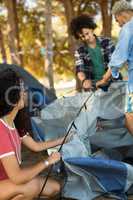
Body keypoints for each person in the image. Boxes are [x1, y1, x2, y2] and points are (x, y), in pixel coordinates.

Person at [0, 68, 65, 200]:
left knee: (55, 188)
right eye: (22, 89)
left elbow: (35, 146)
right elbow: (17, 177)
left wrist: (64, 139)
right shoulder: (1, 130)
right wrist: (48, 162)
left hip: (9, 182)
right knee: (31, 187)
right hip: (5, 183)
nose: (25, 92)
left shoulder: (14, 123)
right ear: (12, 96)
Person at [96, 0, 133, 134]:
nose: (118, 24)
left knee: (129, 118)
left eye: (117, 20)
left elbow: (118, 59)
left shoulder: (128, 28)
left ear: (122, 14)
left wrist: (104, 79)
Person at [70, 14, 115, 91]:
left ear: (91, 28)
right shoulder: (79, 51)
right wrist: (84, 80)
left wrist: (105, 79)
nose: (86, 38)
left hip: (113, 84)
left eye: (87, 33)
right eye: (82, 36)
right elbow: (80, 69)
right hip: (95, 88)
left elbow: (114, 63)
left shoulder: (107, 42)